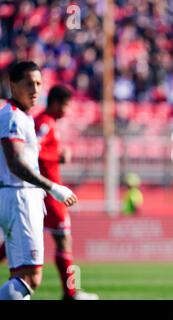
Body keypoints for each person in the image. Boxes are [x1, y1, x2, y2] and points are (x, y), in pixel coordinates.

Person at [0, 61, 77, 300]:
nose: (35, 90)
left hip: (21, 196)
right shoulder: (12, 117)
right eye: (29, 84)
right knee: (30, 278)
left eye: (39, 83)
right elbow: (16, 164)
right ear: (12, 85)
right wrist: (53, 187)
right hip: (20, 196)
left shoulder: (22, 116)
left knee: (22, 274)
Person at [34, 85, 98, 300]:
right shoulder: (44, 123)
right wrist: (57, 155)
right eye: (66, 105)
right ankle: (71, 293)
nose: (68, 111)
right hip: (49, 192)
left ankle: (70, 292)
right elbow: (31, 151)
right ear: (55, 103)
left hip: (44, 190)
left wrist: (55, 153)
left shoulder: (48, 122)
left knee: (17, 239)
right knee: (64, 240)